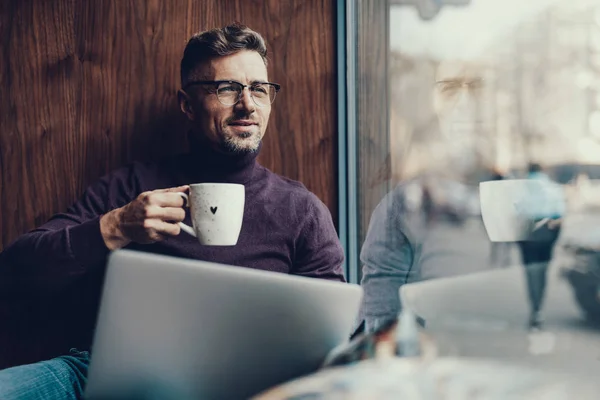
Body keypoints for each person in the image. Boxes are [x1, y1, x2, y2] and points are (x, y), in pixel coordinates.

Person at [0, 24, 345, 399]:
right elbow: (16, 271)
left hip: (243, 383)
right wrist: (115, 227)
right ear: (187, 104)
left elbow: (333, 333)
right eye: (227, 89)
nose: (247, 104)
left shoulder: (301, 210)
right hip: (105, 372)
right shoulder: (131, 187)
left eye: (259, 89)